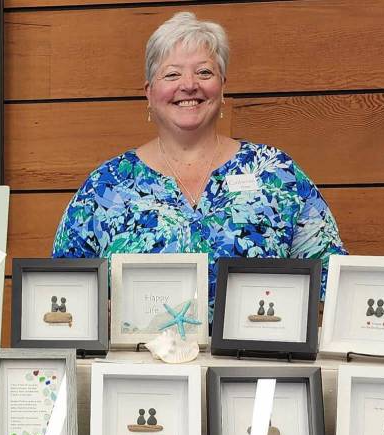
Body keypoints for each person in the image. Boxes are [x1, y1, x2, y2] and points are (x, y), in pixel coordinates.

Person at [52, 12, 346, 306]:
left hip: (255, 351)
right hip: (139, 353)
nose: (189, 85)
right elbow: (64, 292)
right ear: (149, 93)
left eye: (204, 73)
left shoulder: (275, 173)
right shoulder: (105, 187)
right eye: (172, 74)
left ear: (222, 86)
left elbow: (333, 282)